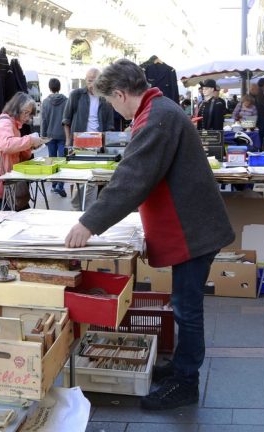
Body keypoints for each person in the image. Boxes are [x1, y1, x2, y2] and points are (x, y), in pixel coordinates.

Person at [64, 59, 234, 410]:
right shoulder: (159, 110)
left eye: (112, 102)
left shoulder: (158, 116)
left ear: (122, 94)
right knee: (185, 305)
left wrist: (88, 223)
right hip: (191, 227)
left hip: (193, 231)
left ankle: (186, 382)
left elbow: (132, 180)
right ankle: (180, 368)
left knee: (187, 309)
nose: (115, 109)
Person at [0, 92, 47, 211]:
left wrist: (30, 147)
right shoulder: (3, 123)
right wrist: (30, 140)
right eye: (26, 113)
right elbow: (6, 145)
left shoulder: (14, 126)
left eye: (30, 114)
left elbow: (15, 154)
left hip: (3, 186)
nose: (27, 118)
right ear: (16, 108)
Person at [62, 68, 115, 210]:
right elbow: (66, 120)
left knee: (96, 178)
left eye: (93, 79)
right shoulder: (76, 95)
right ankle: (77, 209)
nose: (90, 82)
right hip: (79, 143)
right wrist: (68, 142)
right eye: (88, 79)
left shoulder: (106, 98)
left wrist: (107, 143)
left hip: (99, 143)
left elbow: (110, 125)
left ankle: (93, 210)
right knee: (78, 176)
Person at [40, 78, 68, 197]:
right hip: (62, 135)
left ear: (50, 88)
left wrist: (43, 136)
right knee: (62, 160)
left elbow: (43, 120)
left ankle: (53, 184)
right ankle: (60, 186)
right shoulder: (66, 101)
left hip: (50, 136)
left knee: (51, 160)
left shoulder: (45, 102)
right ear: (59, 87)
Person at [254, 78, 264, 150]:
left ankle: (260, 147)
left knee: (261, 132)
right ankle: (260, 148)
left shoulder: (260, 91)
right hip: (261, 115)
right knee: (261, 132)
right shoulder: (260, 91)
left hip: (260, 115)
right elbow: (260, 104)